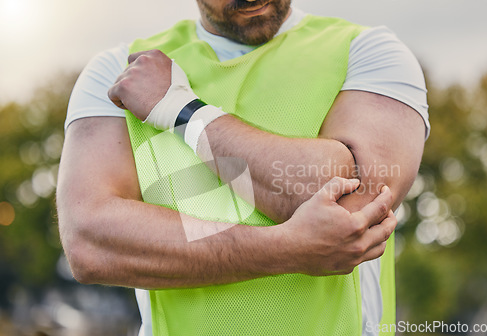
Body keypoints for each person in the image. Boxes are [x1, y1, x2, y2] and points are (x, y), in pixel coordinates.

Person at [57, 0, 429, 335]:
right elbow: (90, 241)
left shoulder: (367, 52)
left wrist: (181, 110)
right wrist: (285, 248)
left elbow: (351, 209)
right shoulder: (123, 72)